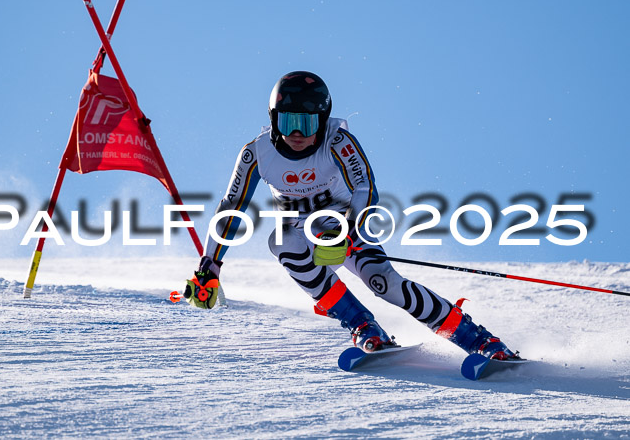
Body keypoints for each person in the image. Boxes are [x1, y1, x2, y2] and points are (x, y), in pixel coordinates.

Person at [184, 71, 519, 360]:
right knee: (282, 241)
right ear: (274, 119)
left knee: (385, 284)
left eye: (307, 122)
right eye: (288, 121)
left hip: (346, 223)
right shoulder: (257, 153)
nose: (297, 134)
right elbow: (232, 205)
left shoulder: (339, 141)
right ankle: (362, 326)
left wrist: (346, 231)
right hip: (301, 232)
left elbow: (366, 189)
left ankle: (479, 341)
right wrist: (210, 264)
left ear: (323, 118)